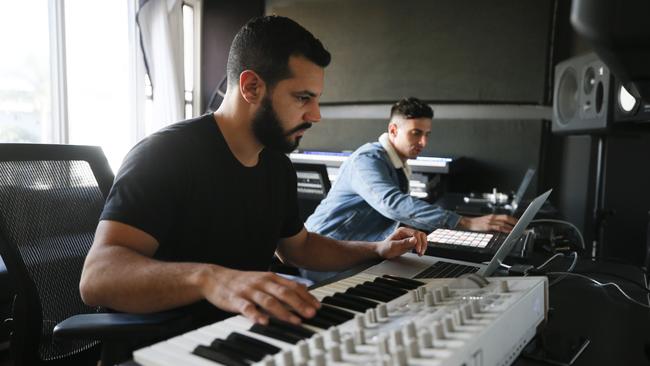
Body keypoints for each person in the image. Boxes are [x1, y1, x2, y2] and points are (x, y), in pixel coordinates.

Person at [79, 16, 427, 329]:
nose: (316, 115)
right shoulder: (164, 155)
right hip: (165, 345)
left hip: (243, 332)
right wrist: (209, 279)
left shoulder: (276, 165)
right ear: (251, 87)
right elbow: (97, 278)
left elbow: (299, 248)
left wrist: (376, 249)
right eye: (303, 98)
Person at [302, 97, 517, 282]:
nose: (423, 142)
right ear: (393, 130)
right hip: (321, 256)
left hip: (358, 250)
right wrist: (464, 222)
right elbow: (392, 203)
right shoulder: (366, 159)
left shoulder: (397, 161)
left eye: (427, 134)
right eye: (415, 133)